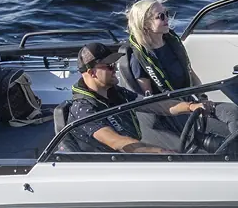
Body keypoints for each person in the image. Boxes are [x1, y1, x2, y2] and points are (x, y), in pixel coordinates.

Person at [65, 43, 215, 154]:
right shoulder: (82, 108)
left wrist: (190, 107)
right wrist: (160, 152)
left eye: (114, 65)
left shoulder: (116, 93)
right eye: (109, 66)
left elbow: (155, 105)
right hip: (105, 166)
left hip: (126, 159)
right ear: (92, 73)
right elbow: (115, 141)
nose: (115, 69)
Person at [124, 0, 200, 96]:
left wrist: (202, 97)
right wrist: (187, 105)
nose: (167, 19)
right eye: (161, 16)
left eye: (166, 13)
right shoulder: (139, 60)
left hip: (189, 100)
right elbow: (149, 99)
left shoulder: (172, 44)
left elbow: (191, 74)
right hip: (168, 105)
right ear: (145, 24)